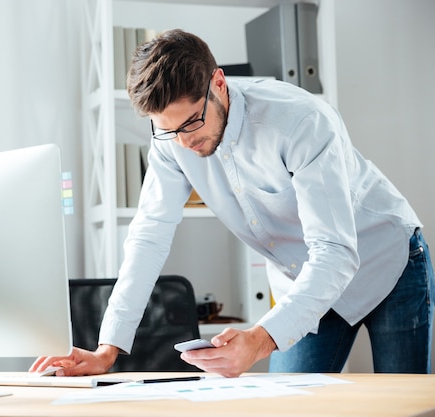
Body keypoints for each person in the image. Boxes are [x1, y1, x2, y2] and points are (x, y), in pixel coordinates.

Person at [31, 29, 434, 377]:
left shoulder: (300, 122)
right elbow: (148, 237)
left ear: (218, 84)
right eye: (168, 130)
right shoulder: (172, 143)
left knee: (403, 403)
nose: (185, 142)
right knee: (285, 409)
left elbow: (335, 252)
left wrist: (258, 340)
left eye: (191, 122)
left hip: (386, 262)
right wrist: (109, 349)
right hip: (303, 282)